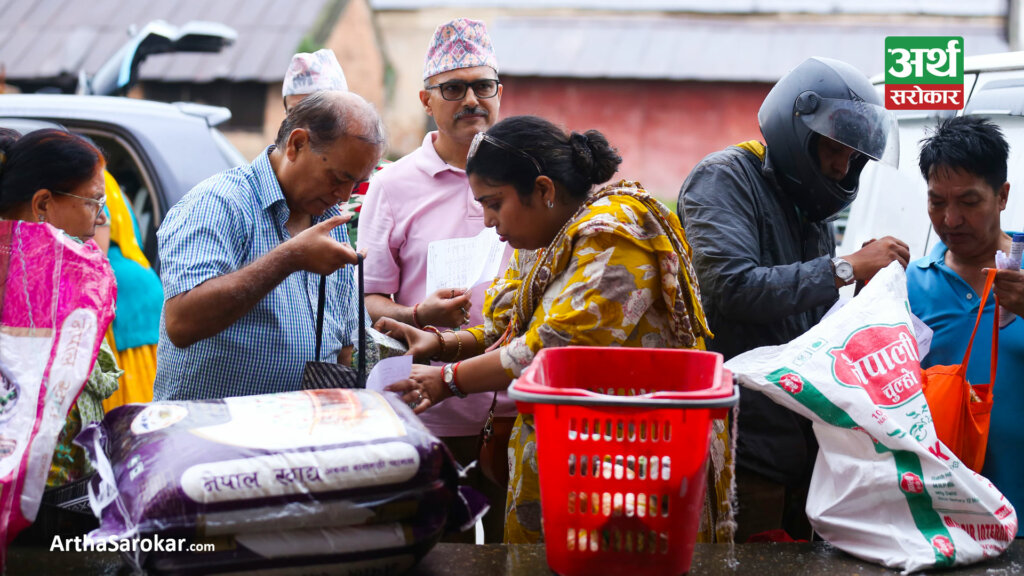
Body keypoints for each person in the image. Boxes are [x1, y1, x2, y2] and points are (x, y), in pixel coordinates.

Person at [378, 115, 715, 544]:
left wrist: (449, 380)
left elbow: (546, 351)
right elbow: (508, 329)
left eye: (494, 203)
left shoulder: (614, 237)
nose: (486, 221)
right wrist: (444, 343)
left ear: (543, 190)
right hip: (572, 458)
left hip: (630, 465)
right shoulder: (550, 238)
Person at [677, 57, 910, 542]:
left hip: (804, 448)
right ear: (795, 131)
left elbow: (808, 321)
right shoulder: (725, 179)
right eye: (833, 150)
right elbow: (731, 287)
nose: (841, 167)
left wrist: (859, 299)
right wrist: (845, 267)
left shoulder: (808, 208)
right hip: (744, 444)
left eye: (852, 157)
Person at [356, 17, 516, 542]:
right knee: (429, 547)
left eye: (483, 86)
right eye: (453, 88)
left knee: (509, 547)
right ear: (427, 101)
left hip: (512, 402)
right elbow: (369, 301)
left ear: (500, 92)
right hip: (420, 404)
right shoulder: (394, 186)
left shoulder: (529, 176)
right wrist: (419, 316)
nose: (471, 99)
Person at [154, 91, 383, 401]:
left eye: (356, 183)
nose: (344, 195)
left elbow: (344, 344)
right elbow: (182, 322)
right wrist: (289, 258)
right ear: (297, 144)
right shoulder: (219, 204)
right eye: (338, 177)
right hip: (214, 438)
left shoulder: (329, 219)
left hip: (301, 438)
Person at [907, 115, 1024, 536]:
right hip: (945, 524)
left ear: (1003, 196)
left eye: (969, 202)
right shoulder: (910, 285)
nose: (951, 219)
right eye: (937, 202)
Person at [0, 128, 122, 486]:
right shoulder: (17, 283)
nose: (100, 219)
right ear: (42, 205)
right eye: (93, 202)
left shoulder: (57, 280)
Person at [282, 48, 387, 245]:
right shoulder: (271, 190)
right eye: (293, 113)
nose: (302, 125)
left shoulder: (385, 185)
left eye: (317, 116)